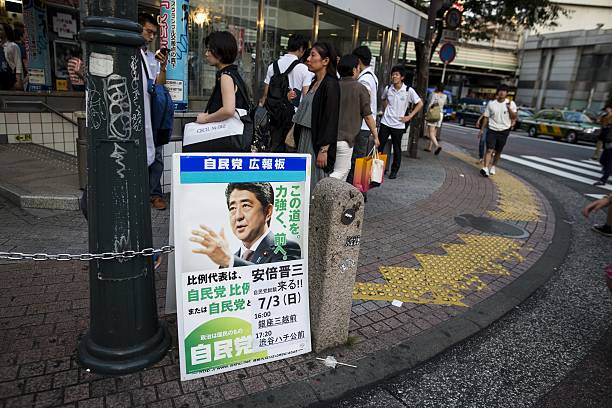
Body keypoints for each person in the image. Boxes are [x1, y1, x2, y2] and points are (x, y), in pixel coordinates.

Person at [190, 182, 302, 267]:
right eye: (232, 208)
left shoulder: (286, 248)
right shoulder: (229, 260)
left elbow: (277, 285)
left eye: (246, 206)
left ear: (268, 212)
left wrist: (229, 261)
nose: (238, 216)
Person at [293, 42, 340, 193]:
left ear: (325, 61)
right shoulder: (315, 82)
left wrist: (324, 149)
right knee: (303, 181)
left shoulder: (331, 84)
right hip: (305, 139)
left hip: (316, 142)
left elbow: (331, 118)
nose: (308, 59)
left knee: (314, 182)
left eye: (313, 55)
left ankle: (313, 215)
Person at [259, 34, 312, 152]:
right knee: (291, 151)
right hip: (294, 118)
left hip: (274, 115)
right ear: (302, 49)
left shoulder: (273, 66)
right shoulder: (304, 69)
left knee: (274, 147)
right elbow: (306, 97)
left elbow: (265, 95)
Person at [331, 54, 379, 181]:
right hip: (345, 140)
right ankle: (321, 190)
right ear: (353, 70)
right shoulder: (359, 88)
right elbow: (368, 116)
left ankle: (332, 197)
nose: (359, 70)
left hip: (327, 138)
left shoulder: (333, 85)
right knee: (341, 172)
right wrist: (375, 136)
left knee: (335, 170)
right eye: (358, 68)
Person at [139, 13, 169, 211]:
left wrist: (163, 66)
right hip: (136, 113)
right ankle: (142, 193)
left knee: (156, 154)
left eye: (153, 33)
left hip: (153, 112)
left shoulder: (151, 57)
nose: (151, 37)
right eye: (148, 31)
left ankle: (154, 194)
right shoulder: (129, 56)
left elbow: (159, 83)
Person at [379, 65, 423, 179]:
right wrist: (385, 110)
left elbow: (420, 103)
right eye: (393, 74)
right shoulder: (388, 88)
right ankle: (378, 169)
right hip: (385, 122)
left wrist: (409, 116)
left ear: (402, 77)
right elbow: (383, 99)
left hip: (398, 125)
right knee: (380, 146)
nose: (394, 76)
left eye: (396, 74)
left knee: (396, 148)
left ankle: (394, 171)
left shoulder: (408, 90)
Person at [347, 45, 378, 186]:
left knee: (358, 161)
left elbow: (363, 105)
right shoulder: (372, 76)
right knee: (362, 161)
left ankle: (358, 192)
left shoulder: (364, 80)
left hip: (363, 126)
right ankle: (361, 191)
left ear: (358, 61)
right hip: (367, 126)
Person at [478, 85, 517, 177]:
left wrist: (508, 108)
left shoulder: (511, 104)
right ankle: (485, 168)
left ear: (507, 93)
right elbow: (486, 118)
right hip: (492, 129)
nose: (502, 93)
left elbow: (514, 117)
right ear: (497, 92)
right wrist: (481, 130)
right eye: (500, 91)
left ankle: (493, 166)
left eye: (504, 91)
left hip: (504, 130)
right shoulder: (491, 104)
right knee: (489, 149)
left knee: (498, 151)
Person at [425, 83, 447, 155]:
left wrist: (427, 113)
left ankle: (437, 146)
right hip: (440, 114)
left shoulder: (434, 94)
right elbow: (444, 104)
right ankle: (429, 147)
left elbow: (430, 104)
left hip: (433, 114)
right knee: (434, 132)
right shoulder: (445, 96)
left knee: (431, 132)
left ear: (437, 87)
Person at [0, 23, 23, 91]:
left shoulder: (13, 46)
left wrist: (18, 81)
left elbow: (18, 64)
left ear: (6, 32)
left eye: (0, 29)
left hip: (8, 78)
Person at [593, 105, 612, 187]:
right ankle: (608, 172)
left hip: (610, 142)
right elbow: (600, 124)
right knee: (602, 160)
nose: (607, 110)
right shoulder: (604, 117)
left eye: (608, 108)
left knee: (609, 163)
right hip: (606, 141)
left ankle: (603, 180)